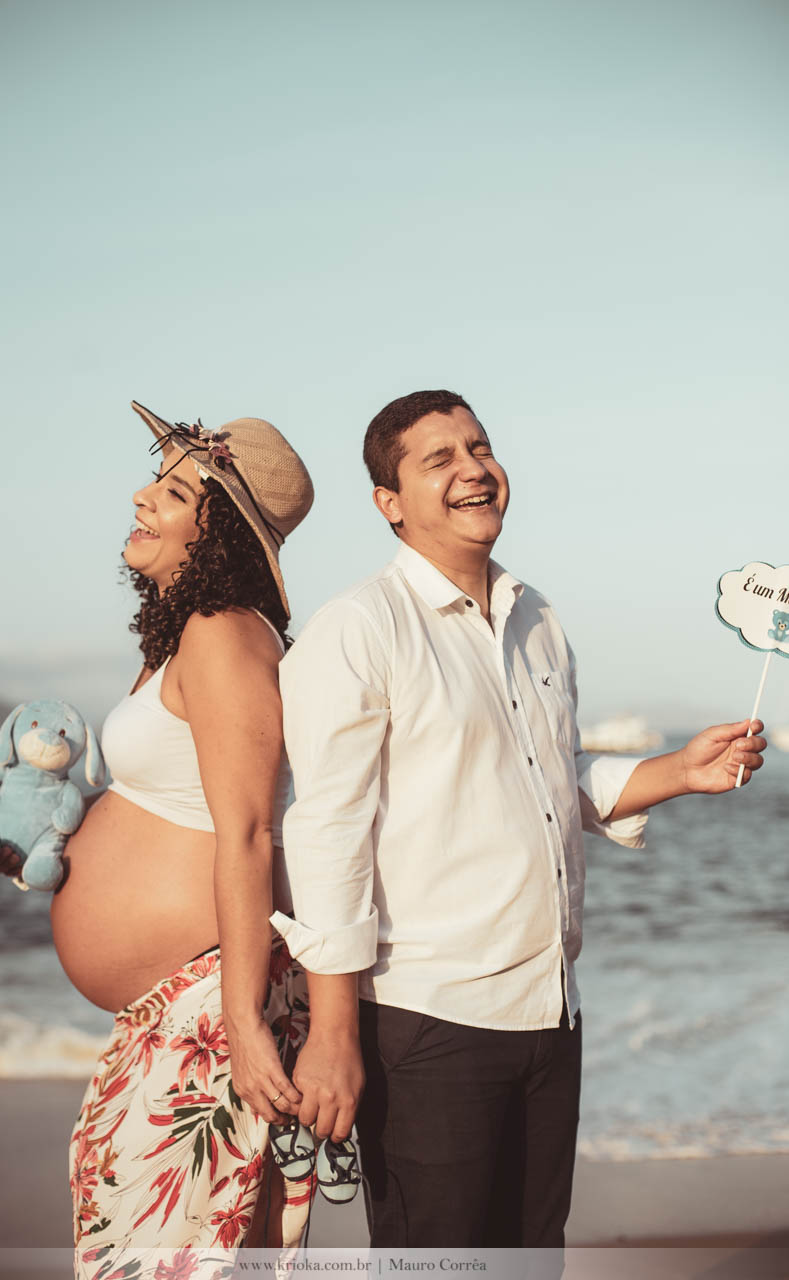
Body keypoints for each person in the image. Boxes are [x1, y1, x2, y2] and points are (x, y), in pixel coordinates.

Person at [271, 389, 767, 1257]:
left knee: (532, 1258)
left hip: (549, 1011)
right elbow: (327, 836)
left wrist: (676, 773)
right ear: (389, 503)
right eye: (439, 460)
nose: (473, 470)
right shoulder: (357, 629)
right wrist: (333, 1034)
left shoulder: (537, 617)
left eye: (480, 447)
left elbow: (546, 780)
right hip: (428, 1018)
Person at [0, 402, 315, 1270]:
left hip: (210, 1001)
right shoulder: (182, 641)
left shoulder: (223, 636)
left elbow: (247, 831)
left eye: (168, 491)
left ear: (220, 531)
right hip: (177, 1005)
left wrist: (241, 1019)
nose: (139, 498)